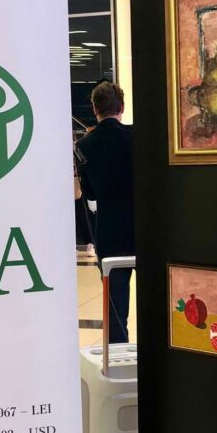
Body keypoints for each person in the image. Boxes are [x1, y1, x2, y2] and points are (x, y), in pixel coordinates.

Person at [76, 82, 134, 344]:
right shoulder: (137, 137)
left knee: (115, 308)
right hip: (142, 228)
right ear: (122, 107)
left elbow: (89, 194)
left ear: (94, 108)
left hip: (109, 232)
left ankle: (119, 354)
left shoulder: (83, 146)